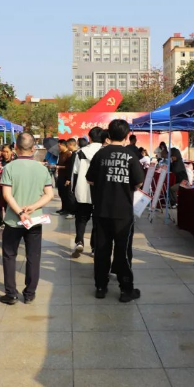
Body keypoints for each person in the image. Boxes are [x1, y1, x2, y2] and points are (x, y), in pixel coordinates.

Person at [86, 119, 144, 302]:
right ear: (127, 135)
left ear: (109, 134)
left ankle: (101, 286)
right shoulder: (131, 156)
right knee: (123, 250)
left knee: (102, 249)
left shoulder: (100, 154)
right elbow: (139, 182)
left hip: (102, 210)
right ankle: (126, 289)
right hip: (123, 213)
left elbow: (90, 179)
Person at [0, 133, 54, 305]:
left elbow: (6, 195)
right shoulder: (42, 169)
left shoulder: (9, 168)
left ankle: (11, 294)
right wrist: (33, 207)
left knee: (9, 255)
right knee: (33, 256)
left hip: (12, 220)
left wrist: (19, 212)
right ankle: (30, 293)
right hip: (34, 220)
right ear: (33, 149)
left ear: (15, 148)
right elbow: (49, 194)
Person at [71, 127, 103, 258]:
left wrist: (73, 190)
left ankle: (79, 241)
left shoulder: (80, 152)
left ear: (89, 138)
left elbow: (75, 173)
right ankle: (95, 248)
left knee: (81, 218)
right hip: (100, 193)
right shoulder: (105, 151)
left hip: (82, 190)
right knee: (97, 221)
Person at [55, 139, 72, 216]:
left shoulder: (69, 154)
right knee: (61, 193)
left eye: (59, 146)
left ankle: (67, 209)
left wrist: (59, 167)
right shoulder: (60, 154)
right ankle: (63, 208)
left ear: (64, 145)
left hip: (66, 177)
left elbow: (69, 167)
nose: (58, 147)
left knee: (65, 194)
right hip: (60, 176)